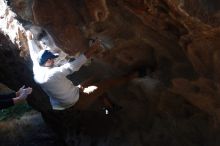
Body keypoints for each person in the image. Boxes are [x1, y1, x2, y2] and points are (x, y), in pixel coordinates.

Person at [26, 28, 135, 112]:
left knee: (95, 79)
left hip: (66, 98)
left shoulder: (37, 68)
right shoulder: (54, 73)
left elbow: (33, 53)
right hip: (77, 101)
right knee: (108, 83)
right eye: (53, 59)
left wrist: (29, 38)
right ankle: (136, 75)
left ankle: (107, 105)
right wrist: (93, 49)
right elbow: (73, 66)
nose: (55, 61)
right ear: (48, 61)